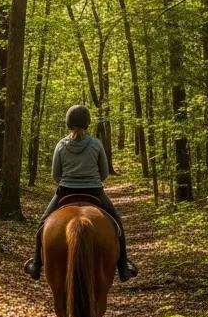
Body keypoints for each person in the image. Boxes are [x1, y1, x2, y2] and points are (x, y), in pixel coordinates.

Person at [24, 105, 137, 282]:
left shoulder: (61, 145)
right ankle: (123, 266)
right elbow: (104, 173)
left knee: (43, 223)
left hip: (65, 192)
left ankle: (36, 265)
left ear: (68, 123)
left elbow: (55, 175)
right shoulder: (96, 144)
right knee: (117, 221)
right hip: (94, 191)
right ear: (87, 123)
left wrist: (69, 180)